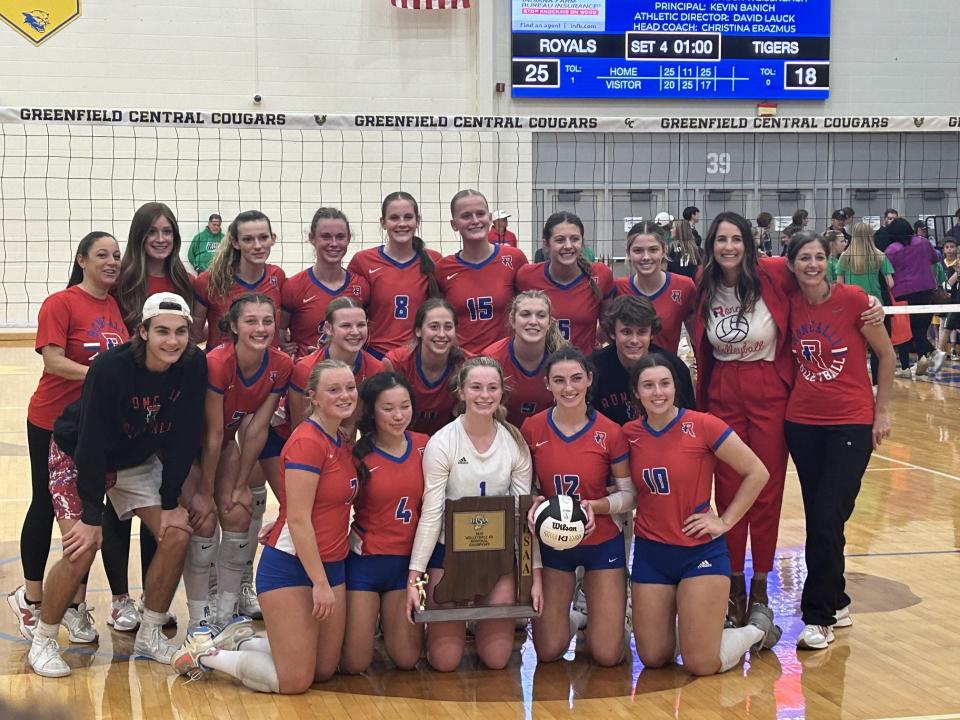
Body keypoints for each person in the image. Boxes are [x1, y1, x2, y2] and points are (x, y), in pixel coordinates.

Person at [693, 212, 883, 629]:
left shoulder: (774, 272)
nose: (729, 247)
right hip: (723, 388)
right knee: (726, 489)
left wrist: (870, 303)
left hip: (769, 388)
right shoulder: (702, 284)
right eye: (721, 239)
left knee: (765, 487)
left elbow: (817, 278)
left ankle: (760, 581)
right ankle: (731, 584)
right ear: (711, 245)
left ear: (748, 243)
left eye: (736, 239)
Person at [27, 293, 205, 677]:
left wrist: (171, 499)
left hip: (135, 459)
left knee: (177, 531)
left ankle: (151, 632)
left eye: (180, 332)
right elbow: (91, 441)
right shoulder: (110, 368)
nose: (171, 341)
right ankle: (43, 639)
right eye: (161, 331)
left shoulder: (192, 364)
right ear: (142, 332)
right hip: (79, 454)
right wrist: (92, 516)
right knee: (83, 545)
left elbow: (185, 434)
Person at [173, 359, 359, 693]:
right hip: (293, 566)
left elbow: (314, 505)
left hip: (332, 562)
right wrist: (319, 582)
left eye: (350, 387)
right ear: (312, 396)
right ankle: (209, 654)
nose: (345, 395)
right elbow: (300, 520)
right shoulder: (308, 442)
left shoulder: (341, 438)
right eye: (334, 389)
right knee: (293, 681)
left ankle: (242, 641)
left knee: (324, 669)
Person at [623, 355, 780, 675]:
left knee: (701, 664)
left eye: (664, 384)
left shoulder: (703, 424)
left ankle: (754, 631)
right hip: (652, 553)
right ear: (636, 392)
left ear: (675, 387)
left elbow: (757, 472)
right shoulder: (628, 434)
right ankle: (698, 633)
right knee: (653, 657)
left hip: (700, 553)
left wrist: (725, 521)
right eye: (648, 385)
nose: (658, 392)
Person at [8, 232, 127, 644]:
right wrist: (100, 375)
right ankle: (31, 599)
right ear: (81, 260)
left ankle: (75, 606)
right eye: (102, 255)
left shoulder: (114, 306)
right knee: (46, 503)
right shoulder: (61, 303)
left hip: (92, 428)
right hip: (50, 420)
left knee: (88, 511)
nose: (112, 261)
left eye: (116, 255)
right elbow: (55, 361)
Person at [784, 231, 894, 649]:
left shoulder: (855, 302)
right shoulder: (789, 304)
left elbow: (886, 356)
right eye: (803, 259)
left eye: (818, 257)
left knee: (830, 513)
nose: (812, 265)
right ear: (792, 265)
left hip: (850, 423)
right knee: (823, 518)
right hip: (803, 424)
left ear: (829, 260)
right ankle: (838, 598)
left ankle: (818, 616)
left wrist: (881, 411)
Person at [406, 357, 534, 672]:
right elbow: (432, 511)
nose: (484, 395)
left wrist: (533, 576)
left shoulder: (515, 442)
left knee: (496, 660)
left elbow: (521, 516)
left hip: (498, 555)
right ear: (461, 391)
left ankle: (481, 612)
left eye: (492, 388)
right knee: (445, 663)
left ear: (502, 393)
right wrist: (415, 575)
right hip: (448, 553)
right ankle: (454, 618)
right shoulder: (442, 442)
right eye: (475, 387)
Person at [180, 294, 292, 632]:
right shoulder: (217, 362)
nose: (260, 328)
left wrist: (242, 483)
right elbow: (211, 434)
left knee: (239, 511)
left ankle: (226, 615)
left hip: (226, 444)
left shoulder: (281, 364)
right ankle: (199, 620)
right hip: (185, 449)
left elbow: (256, 429)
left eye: (267, 321)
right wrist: (204, 492)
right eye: (251, 321)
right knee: (203, 519)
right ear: (233, 326)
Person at [521, 347, 635, 667]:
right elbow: (525, 486)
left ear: (589, 379)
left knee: (607, 655)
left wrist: (595, 507)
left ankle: (605, 623)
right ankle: (576, 619)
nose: (568, 387)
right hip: (553, 542)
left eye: (575, 379)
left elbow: (629, 495)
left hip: (601, 542)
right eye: (559, 380)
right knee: (548, 651)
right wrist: (532, 502)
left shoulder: (611, 432)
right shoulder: (532, 428)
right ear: (548, 385)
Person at [111, 201, 195, 629]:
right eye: (152, 231)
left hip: (164, 402)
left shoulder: (184, 280)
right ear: (139, 236)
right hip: (120, 399)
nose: (161, 238)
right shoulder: (124, 280)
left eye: (168, 231)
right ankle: (119, 599)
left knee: (159, 499)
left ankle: (151, 599)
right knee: (114, 509)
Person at [340, 372, 427, 673]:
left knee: (406, 659)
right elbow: (329, 502)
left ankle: (383, 628)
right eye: (388, 408)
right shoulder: (357, 455)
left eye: (404, 406)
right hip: (366, 562)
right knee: (354, 664)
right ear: (371, 411)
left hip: (406, 565)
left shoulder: (426, 446)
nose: (398, 415)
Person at [347, 192, 441, 358]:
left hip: (419, 358)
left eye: (408, 217)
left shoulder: (434, 261)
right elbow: (348, 312)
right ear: (383, 222)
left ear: (417, 221)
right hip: (376, 356)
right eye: (394, 218)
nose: (402, 223)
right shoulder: (363, 261)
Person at [437, 189, 528, 354]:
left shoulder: (514, 258)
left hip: (504, 363)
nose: (475, 221)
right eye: (466, 216)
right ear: (454, 225)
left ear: (490, 218)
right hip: (461, 364)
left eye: (480, 214)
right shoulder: (443, 268)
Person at [515, 212, 614, 354]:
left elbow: (607, 325)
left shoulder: (600, 274)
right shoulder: (526, 276)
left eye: (575, 239)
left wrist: (592, 341)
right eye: (560, 240)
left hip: (584, 367)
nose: (568, 246)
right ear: (546, 244)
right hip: (541, 366)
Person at [590, 295, 694, 426]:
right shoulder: (593, 368)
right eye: (626, 332)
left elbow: (688, 421)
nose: (634, 340)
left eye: (642, 332)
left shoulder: (674, 368)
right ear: (612, 333)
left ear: (652, 333)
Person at [287, 298, 385, 436]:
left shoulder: (376, 369)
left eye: (361, 325)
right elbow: (299, 429)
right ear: (328, 328)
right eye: (346, 326)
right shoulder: (306, 369)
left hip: (342, 442)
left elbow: (358, 427)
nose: (356, 332)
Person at [281, 207, 369, 358]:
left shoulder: (361, 286)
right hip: (308, 375)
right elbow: (280, 330)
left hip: (350, 374)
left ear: (348, 238)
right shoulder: (293, 286)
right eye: (326, 237)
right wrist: (285, 347)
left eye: (340, 237)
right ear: (312, 238)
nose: (334, 243)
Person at [193, 210, 286, 349]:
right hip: (222, 367)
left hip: (266, 366)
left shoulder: (277, 276)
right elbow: (194, 335)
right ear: (235, 243)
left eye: (263, 237)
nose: (258, 246)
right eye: (248, 239)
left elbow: (283, 329)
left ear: (272, 239)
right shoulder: (209, 281)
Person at [383, 299, 468, 435]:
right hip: (401, 439)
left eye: (448, 327)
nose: (441, 334)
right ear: (418, 331)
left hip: (447, 442)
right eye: (434, 327)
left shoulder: (466, 365)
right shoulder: (396, 363)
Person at [482, 290, 566, 427]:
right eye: (525, 314)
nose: (533, 321)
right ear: (512, 320)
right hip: (500, 436)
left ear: (549, 322)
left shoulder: (562, 361)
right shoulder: (492, 359)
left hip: (548, 436)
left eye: (541, 315)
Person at [614, 222, 696, 356]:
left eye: (653, 250)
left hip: (666, 372)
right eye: (638, 251)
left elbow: (696, 338)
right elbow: (603, 334)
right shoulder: (617, 288)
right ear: (628, 253)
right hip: (625, 373)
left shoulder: (684, 287)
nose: (646, 257)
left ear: (664, 250)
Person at [838, 222, 896, 384]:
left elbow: (839, 284)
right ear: (871, 236)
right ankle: (877, 383)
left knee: (854, 347)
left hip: (851, 306)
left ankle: (854, 380)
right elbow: (890, 283)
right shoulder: (879, 255)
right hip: (875, 306)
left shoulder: (845, 256)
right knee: (879, 349)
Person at [884, 217, 940, 376]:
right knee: (921, 326)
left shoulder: (891, 250)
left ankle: (908, 365)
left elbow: (888, 273)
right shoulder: (923, 242)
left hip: (903, 291)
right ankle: (924, 355)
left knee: (906, 328)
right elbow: (934, 260)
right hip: (926, 288)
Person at [935, 237, 959, 363]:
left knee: (948, 327)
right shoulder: (946, 267)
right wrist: (957, 272)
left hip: (956, 303)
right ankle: (939, 353)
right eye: (947, 247)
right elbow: (947, 284)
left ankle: (952, 349)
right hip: (950, 301)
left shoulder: (955, 263)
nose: (950, 250)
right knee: (946, 327)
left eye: (952, 247)